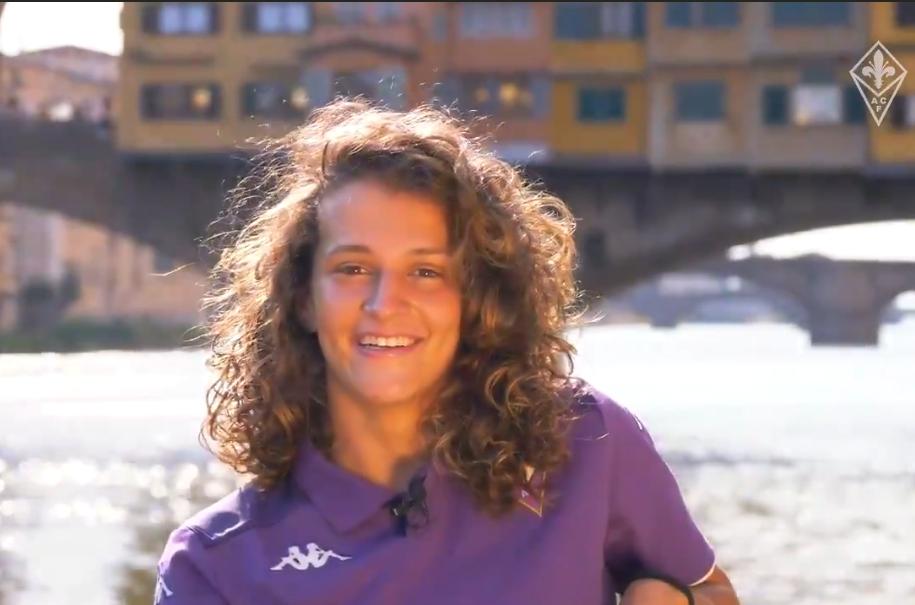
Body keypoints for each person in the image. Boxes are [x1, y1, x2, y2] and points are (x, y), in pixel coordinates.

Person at [155, 98, 740, 605]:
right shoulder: (215, 566)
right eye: (353, 268)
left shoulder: (586, 442)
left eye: (427, 271)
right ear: (303, 298)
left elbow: (709, 592)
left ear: (474, 300)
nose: (385, 303)